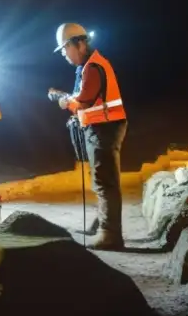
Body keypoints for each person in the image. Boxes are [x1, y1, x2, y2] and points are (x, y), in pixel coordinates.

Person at [48, 23, 128, 251]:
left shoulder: (92, 67)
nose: (64, 54)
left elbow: (83, 101)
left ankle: (110, 234)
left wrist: (63, 101)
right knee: (101, 178)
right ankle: (101, 224)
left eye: (65, 48)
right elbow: (85, 96)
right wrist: (66, 96)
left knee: (105, 181)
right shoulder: (89, 65)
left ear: (80, 44)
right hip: (102, 126)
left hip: (105, 127)